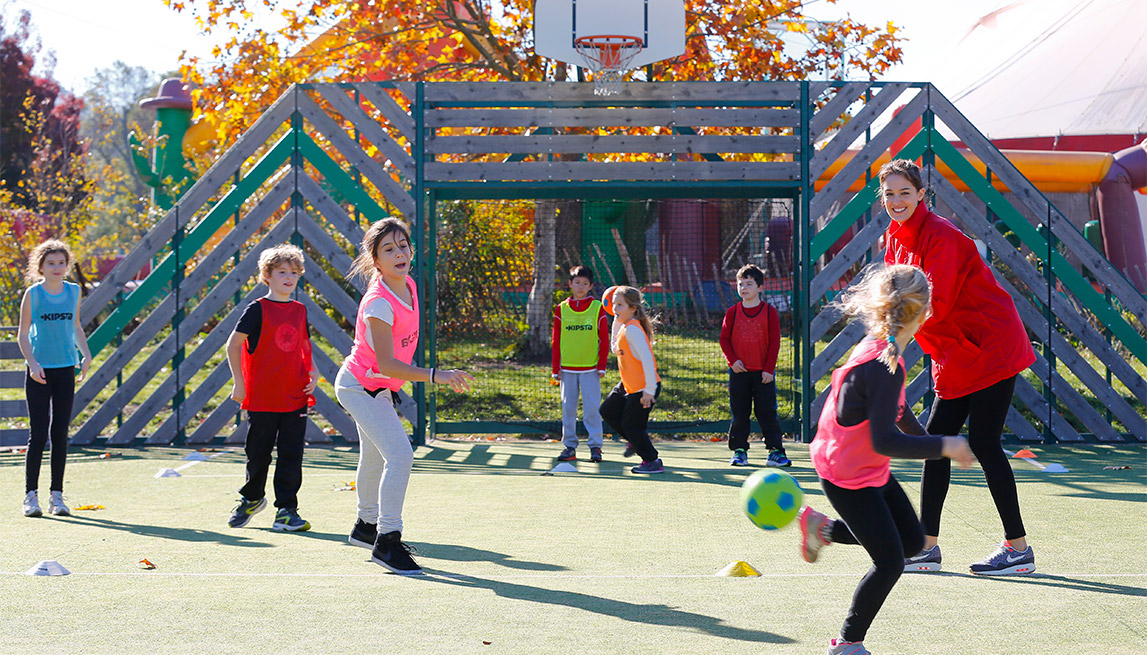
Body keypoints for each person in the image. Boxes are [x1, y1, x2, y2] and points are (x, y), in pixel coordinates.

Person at [798, 264, 974, 655]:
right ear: (925, 312)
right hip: (845, 472)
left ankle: (822, 530)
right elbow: (884, 440)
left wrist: (929, 439)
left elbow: (893, 413)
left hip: (861, 464)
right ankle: (847, 645)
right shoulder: (885, 363)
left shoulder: (885, 347)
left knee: (912, 541)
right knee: (890, 562)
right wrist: (944, 446)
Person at [879, 158, 1038, 575]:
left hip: (991, 346)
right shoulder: (894, 240)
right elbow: (899, 301)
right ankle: (926, 547)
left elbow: (938, 303)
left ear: (921, 195)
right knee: (937, 446)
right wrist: (886, 339)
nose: (897, 201)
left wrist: (895, 342)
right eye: (889, 194)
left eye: (904, 193)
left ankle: (1018, 549)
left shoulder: (942, 237)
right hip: (954, 354)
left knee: (984, 443)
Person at [335, 218, 473, 574]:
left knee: (377, 458)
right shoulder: (378, 303)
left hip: (376, 387)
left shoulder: (408, 284)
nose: (400, 253)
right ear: (375, 260)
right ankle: (387, 542)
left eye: (403, 246)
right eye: (389, 249)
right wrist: (436, 376)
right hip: (357, 387)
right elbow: (387, 363)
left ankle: (365, 527)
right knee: (400, 455)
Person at [225, 244, 318, 532]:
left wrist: (312, 371)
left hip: (295, 396)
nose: (289, 278)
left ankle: (287, 511)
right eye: (282, 272)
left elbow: (303, 344)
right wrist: (240, 383)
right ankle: (252, 498)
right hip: (262, 397)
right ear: (267, 276)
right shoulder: (257, 309)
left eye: (294, 273)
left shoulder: (300, 310)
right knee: (258, 454)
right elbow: (233, 345)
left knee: (292, 455)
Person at [17, 240, 91, 518]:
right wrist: (33, 364)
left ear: (67, 265)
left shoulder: (73, 292)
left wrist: (85, 355)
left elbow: (75, 327)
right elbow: (23, 334)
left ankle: (56, 497)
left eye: (61, 263)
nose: (57, 268)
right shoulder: (33, 295)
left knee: (60, 434)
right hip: (39, 371)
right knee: (38, 435)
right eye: (51, 263)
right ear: (41, 267)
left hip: (65, 369)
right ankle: (30, 497)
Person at [719, 264, 790, 467]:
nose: (744, 288)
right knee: (740, 413)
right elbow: (724, 340)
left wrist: (769, 369)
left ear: (760, 287)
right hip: (739, 373)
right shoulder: (732, 312)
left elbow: (775, 342)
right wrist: (733, 362)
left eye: (749, 284)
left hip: (763, 374)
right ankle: (739, 451)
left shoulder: (770, 312)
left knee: (767, 412)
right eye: (741, 284)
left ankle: (776, 451)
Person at [599, 286, 664, 474]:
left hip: (644, 387)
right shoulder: (624, 328)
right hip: (629, 385)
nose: (614, 309)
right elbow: (614, 349)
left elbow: (648, 361)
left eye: (620, 305)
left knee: (631, 425)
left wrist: (649, 391)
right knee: (608, 410)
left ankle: (652, 460)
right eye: (613, 305)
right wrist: (615, 322)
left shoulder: (633, 331)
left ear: (633, 308)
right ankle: (636, 441)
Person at [551, 265, 609, 463]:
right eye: (577, 283)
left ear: (591, 286)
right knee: (568, 408)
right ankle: (569, 446)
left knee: (592, 408)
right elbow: (556, 340)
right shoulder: (561, 309)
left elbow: (603, 339)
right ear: (570, 284)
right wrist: (555, 368)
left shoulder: (597, 308)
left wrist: (601, 365)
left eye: (585, 283)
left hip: (591, 369)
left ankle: (595, 446)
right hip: (567, 369)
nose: (581, 286)